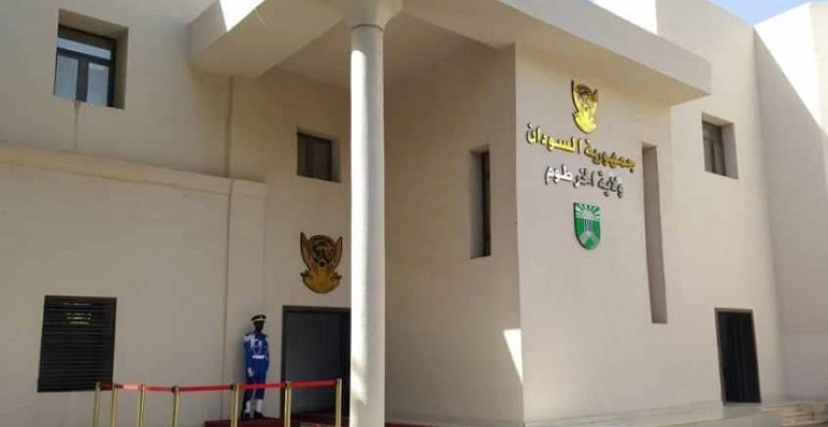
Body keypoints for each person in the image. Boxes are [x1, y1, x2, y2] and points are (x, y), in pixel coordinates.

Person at [242, 314, 270, 420]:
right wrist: (249, 366)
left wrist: (267, 364)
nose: (261, 325)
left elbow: (267, 352)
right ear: (255, 324)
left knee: (261, 387)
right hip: (253, 363)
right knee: (250, 387)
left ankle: (258, 411)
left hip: (262, 364)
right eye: (259, 323)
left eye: (262, 323)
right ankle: (247, 411)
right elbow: (248, 353)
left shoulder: (265, 337)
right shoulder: (249, 337)